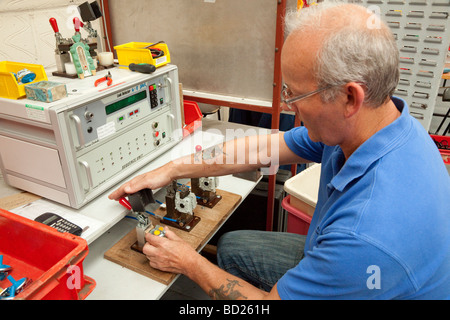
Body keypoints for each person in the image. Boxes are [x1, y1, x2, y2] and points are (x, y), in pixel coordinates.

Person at [109, 1, 450, 299]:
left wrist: (187, 263)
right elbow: (266, 149)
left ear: (349, 97)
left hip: (362, 274)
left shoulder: (365, 237)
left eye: (296, 95)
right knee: (233, 248)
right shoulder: (378, 124)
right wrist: (171, 170)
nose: (290, 108)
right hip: (346, 263)